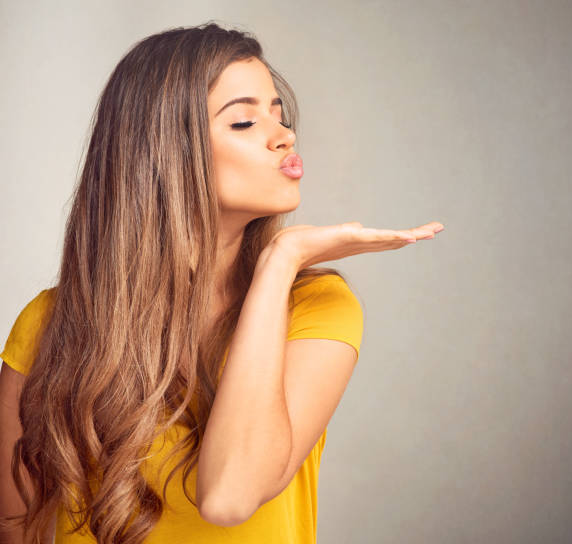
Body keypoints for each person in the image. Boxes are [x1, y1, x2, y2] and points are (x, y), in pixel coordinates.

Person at [0, 21, 444, 544]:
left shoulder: (316, 306)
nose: (285, 135)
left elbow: (230, 495)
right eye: (243, 122)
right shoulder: (50, 322)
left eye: (278, 113)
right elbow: (15, 521)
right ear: (164, 152)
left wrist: (282, 259)